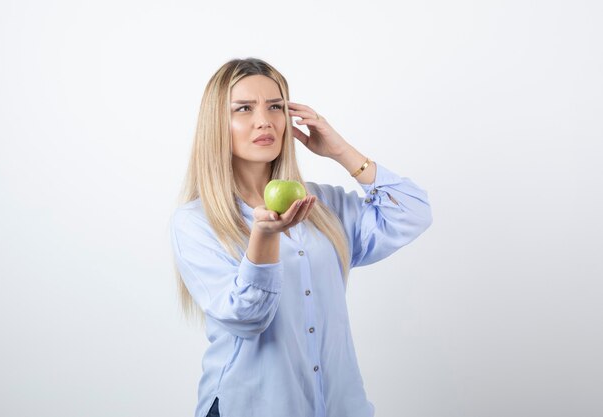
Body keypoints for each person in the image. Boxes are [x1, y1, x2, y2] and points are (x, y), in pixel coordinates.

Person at [169, 57, 433, 417]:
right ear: (217, 124)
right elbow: (247, 318)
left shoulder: (323, 206)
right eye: (244, 108)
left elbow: (412, 212)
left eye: (275, 106)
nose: (264, 120)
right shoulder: (195, 222)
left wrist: (340, 150)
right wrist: (265, 237)